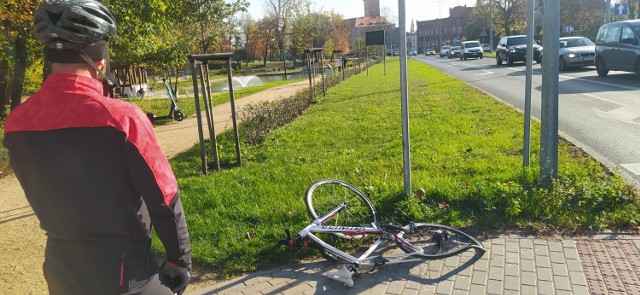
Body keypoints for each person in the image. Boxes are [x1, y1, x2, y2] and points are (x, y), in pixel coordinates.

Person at [2, 0, 191, 294]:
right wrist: (179, 260)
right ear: (100, 58)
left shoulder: (16, 122)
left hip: (61, 268)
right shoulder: (122, 119)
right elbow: (164, 199)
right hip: (125, 274)